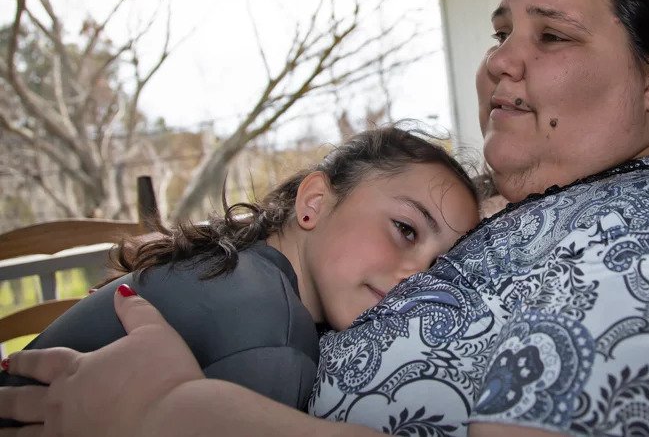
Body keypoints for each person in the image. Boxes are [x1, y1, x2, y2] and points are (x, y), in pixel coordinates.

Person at [2, 0, 649, 437]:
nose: (499, 59)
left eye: (551, 35)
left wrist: (167, 414)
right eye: (500, 34)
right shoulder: (556, 201)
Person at [0, 126, 480, 417]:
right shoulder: (273, 335)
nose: (418, 276)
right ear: (315, 202)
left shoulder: (234, 266)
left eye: (439, 268)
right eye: (406, 229)